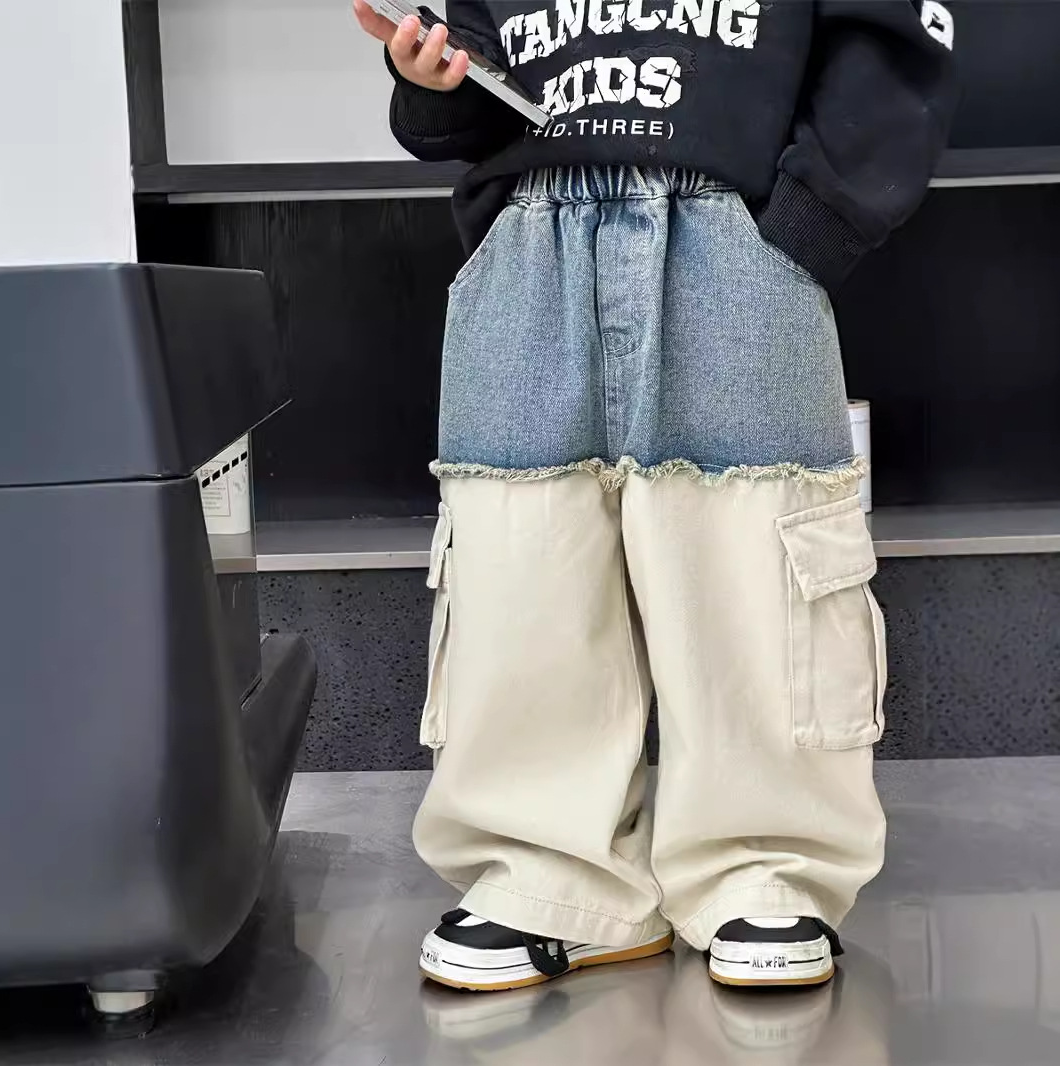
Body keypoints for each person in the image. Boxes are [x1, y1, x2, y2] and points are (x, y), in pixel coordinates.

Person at [354, 0, 957, 991]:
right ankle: (550, 877)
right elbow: (475, 89)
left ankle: (764, 868)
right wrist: (430, 85)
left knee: (751, 566)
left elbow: (892, 42)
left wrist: (807, 223)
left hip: (730, 232)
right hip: (531, 234)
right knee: (521, 569)